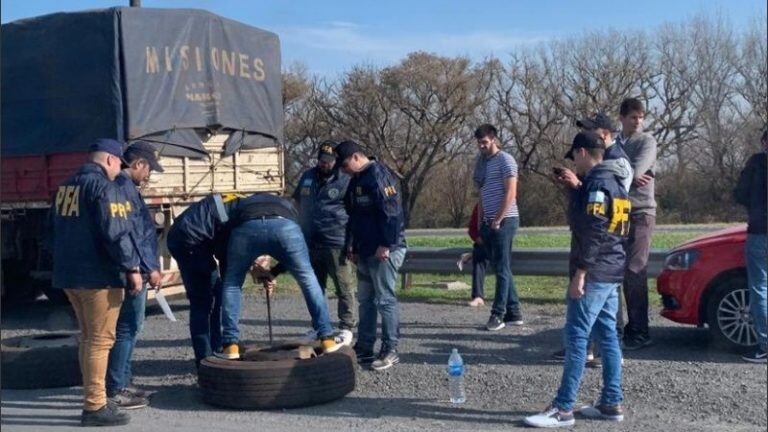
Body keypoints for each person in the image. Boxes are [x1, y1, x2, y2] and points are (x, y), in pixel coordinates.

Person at [525, 131, 630, 428]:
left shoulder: (597, 183)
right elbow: (604, 222)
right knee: (607, 336)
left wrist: (581, 272)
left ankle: (563, 408)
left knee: (576, 337)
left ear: (583, 152)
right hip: (611, 269)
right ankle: (611, 401)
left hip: (594, 271)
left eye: (576, 157)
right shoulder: (616, 181)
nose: (576, 163)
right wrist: (575, 190)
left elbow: (593, 229)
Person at [50, 138, 143, 427]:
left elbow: (51, 231)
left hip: (69, 275)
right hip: (98, 277)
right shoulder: (104, 187)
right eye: (119, 165)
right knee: (101, 341)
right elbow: (115, 232)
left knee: (89, 338)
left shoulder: (66, 186)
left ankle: (94, 400)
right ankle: (95, 406)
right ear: (110, 160)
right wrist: (132, 267)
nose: (119, 172)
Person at [216, 193, 341, 360]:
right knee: (307, 278)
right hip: (284, 226)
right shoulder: (288, 204)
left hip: (247, 227)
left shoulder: (240, 204)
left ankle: (230, 345)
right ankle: (327, 339)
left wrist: (242, 268)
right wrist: (275, 270)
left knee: (232, 283)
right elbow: (294, 252)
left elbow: (229, 235)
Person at [552, 113, 633, 364]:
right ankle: (611, 393)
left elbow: (596, 225)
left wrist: (582, 269)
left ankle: (566, 398)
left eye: (592, 130)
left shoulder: (610, 169)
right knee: (606, 329)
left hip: (600, 258)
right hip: (608, 254)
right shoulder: (603, 174)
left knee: (582, 329)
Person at [336, 140, 407, 371]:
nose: (343, 169)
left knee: (384, 299)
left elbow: (392, 213)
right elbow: (352, 216)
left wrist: (386, 244)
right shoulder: (355, 180)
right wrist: (352, 246)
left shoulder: (379, 175)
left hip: (384, 251)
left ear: (357, 157)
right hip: (364, 250)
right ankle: (365, 346)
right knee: (366, 300)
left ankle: (390, 348)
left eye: (345, 163)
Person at [106, 142, 164, 409]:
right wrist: (144, 269)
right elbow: (131, 235)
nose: (149, 174)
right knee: (128, 327)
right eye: (149, 168)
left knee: (130, 327)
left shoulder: (123, 188)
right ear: (139, 164)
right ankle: (117, 387)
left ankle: (123, 381)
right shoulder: (123, 190)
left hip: (132, 267)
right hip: (132, 270)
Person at [293, 140, 356, 345]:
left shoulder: (345, 179)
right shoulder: (307, 177)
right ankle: (319, 326)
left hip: (336, 241)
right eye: (321, 160)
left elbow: (355, 213)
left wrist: (352, 242)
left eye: (328, 161)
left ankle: (346, 327)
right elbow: (296, 202)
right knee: (315, 287)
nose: (324, 164)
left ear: (336, 162)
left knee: (343, 286)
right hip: (311, 242)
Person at [167, 193, 234, 366]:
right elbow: (225, 256)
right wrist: (231, 287)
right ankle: (205, 360)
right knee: (202, 302)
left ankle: (216, 349)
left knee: (217, 294)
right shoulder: (237, 219)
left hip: (194, 239)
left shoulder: (236, 205)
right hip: (188, 242)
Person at [616, 97, 657, 350]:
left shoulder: (647, 141)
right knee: (616, 268)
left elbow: (637, 169)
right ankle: (620, 327)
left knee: (635, 269)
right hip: (619, 209)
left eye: (641, 116)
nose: (638, 121)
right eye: (633, 116)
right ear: (622, 118)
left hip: (641, 211)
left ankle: (640, 330)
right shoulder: (617, 142)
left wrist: (624, 174)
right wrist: (624, 174)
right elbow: (607, 169)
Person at [473, 124, 523, 331]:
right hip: (488, 221)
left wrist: (498, 218)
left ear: (493, 139)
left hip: (505, 220)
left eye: (484, 142)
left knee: (502, 268)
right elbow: (483, 195)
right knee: (500, 267)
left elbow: (511, 192)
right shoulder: (482, 164)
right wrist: (480, 222)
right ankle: (515, 312)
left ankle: (498, 314)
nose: (482, 146)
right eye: (479, 143)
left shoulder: (506, 160)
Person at [734, 129, 767, 363]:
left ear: (764, 142)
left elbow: (740, 194)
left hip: (760, 230)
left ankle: (765, 345)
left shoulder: (757, 162)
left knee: (760, 288)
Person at [467, 203, 488, 307]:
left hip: (498, 242)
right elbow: (472, 229)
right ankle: (478, 296)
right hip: (483, 245)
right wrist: (477, 238)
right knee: (478, 255)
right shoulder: (480, 206)